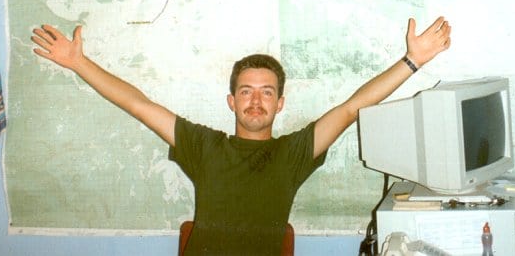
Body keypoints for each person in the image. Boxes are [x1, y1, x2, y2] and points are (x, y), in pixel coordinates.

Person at [31, 16, 451, 255]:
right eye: (246, 91)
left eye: (266, 92)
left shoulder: (293, 153)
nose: (255, 101)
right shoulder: (203, 146)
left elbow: (350, 108)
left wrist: (412, 61)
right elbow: (139, 104)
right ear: (231, 101)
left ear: (280, 104)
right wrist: (79, 63)